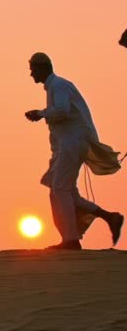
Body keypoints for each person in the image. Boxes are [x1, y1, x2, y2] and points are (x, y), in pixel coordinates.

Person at [24, 52, 123, 249]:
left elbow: (63, 110)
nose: (31, 74)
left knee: (60, 189)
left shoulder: (59, 86)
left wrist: (41, 113)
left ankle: (70, 241)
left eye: (33, 69)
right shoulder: (54, 87)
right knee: (61, 190)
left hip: (73, 143)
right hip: (66, 145)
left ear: (43, 68)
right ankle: (109, 217)